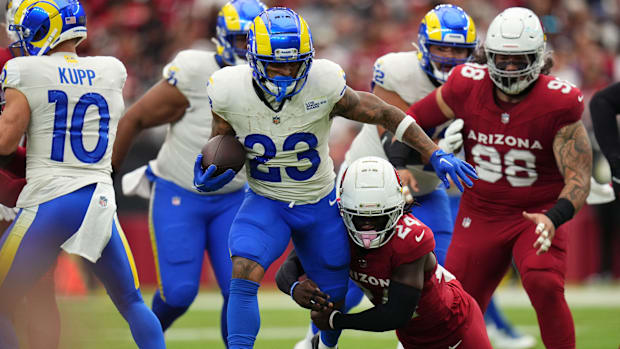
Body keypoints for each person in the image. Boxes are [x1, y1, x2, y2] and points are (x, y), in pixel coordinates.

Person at [193, 7, 478, 349]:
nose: (285, 73)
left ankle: (324, 344)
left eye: (294, 64)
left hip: (320, 201)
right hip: (266, 199)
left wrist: (434, 152)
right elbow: (222, 141)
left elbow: (384, 112)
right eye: (276, 65)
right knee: (244, 267)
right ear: (253, 60)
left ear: (308, 59)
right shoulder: (228, 89)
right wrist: (210, 170)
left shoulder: (324, 83)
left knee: (333, 296)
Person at [406, 7, 592, 349]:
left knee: (544, 283)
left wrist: (554, 218)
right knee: (453, 302)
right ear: (487, 55)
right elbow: (412, 122)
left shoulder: (558, 101)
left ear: (537, 58)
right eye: (501, 58)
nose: (508, 67)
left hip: (536, 213)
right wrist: (436, 151)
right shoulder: (466, 85)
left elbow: (579, 178)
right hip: (480, 213)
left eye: (517, 59)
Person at [0, 1, 165, 348]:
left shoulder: (24, 70)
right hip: (98, 201)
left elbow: (5, 143)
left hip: (49, 201)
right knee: (131, 301)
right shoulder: (111, 69)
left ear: (44, 28)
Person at [112, 0, 266, 343]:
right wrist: (105, 177)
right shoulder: (197, 70)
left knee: (239, 289)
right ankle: (149, 339)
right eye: (244, 40)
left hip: (234, 199)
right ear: (225, 38)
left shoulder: (278, 81)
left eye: (259, 41)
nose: (253, 50)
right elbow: (135, 118)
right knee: (179, 293)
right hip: (180, 191)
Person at [296, 157, 491, 348]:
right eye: (359, 218)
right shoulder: (336, 233)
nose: (368, 228)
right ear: (344, 210)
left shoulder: (410, 239)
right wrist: (294, 288)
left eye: (378, 218)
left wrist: (336, 321)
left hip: (456, 327)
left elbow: (395, 315)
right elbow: (290, 266)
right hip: (413, 338)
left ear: (396, 209)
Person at [0, 1, 61, 347]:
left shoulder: (24, 66)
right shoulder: (63, 68)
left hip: (28, 186)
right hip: (36, 186)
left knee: (36, 292)